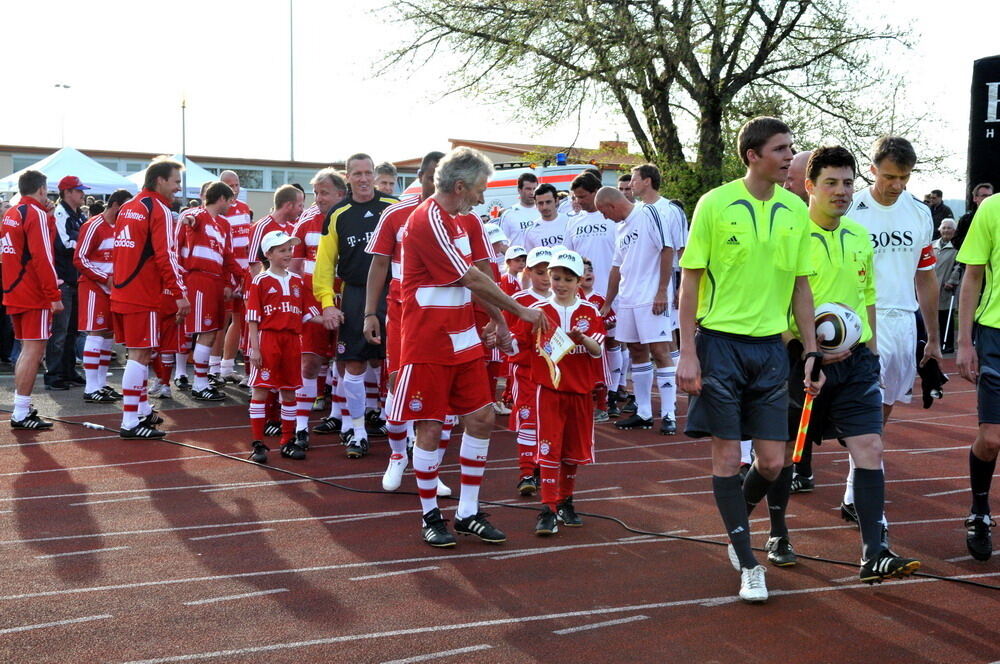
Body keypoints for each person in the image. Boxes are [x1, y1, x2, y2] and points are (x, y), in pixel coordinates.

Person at [677, 117, 821, 603]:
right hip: (720, 346)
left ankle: (735, 526)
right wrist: (688, 352)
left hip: (771, 351)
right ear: (752, 155)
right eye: (780, 149)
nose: (789, 157)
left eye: (791, 148)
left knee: (774, 462)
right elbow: (690, 281)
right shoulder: (714, 204)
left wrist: (811, 350)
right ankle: (749, 563)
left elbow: (801, 285)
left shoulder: (795, 209)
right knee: (725, 457)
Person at [772, 146, 920, 581]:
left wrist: (870, 353)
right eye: (831, 183)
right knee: (779, 457)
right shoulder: (788, 236)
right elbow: (771, 303)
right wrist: (802, 350)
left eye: (848, 183)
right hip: (800, 364)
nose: (841, 191)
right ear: (809, 186)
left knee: (870, 446)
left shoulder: (858, 235)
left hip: (856, 365)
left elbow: (867, 296)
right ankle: (778, 533)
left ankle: (874, 551)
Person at [388, 146, 545, 548]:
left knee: (481, 418)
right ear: (460, 186)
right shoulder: (426, 219)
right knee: (430, 425)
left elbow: (477, 277)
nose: (482, 196)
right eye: (479, 189)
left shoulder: (464, 220)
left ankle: (468, 512)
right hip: (427, 341)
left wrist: (496, 319)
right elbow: (469, 278)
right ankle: (430, 515)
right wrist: (517, 312)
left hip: (463, 337)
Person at [841, 136, 941, 524]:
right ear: (872, 170)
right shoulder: (851, 209)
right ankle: (868, 506)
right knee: (866, 414)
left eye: (904, 177)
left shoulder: (919, 213)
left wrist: (933, 338)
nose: (897, 185)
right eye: (889, 176)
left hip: (903, 323)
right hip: (862, 321)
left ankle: (854, 492)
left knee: (879, 416)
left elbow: (926, 277)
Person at [364, 150, 448, 490]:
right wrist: (370, 312)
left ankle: (432, 469)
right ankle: (398, 456)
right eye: (430, 177)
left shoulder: (460, 217)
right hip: (402, 312)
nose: (436, 184)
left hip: (443, 315)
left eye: (442, 178)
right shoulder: (396, 213)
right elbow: (379, 264)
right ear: (420, 177)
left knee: (441, 390)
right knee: (398, 383)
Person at [508, 250, 605, 535]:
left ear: (579, 281)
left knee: (572, 451)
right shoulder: (537, 311)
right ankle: (548, 509)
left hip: (580, 392)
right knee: (549, 448)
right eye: (556, 278)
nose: (561, 284)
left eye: (568, 279)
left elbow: (597, 350)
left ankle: (565, 501)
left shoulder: (590, 311)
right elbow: (516, 345)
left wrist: (582, 338)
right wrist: (498, 337)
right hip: (548, 391)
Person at [313, 153, 398, 458]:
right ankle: (357, 431)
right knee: (353, 363)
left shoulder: (393, 207)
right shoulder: (338, 214)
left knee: (398, 363)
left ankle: (401, 430)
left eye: (368, 173)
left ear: (374, 175)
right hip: (355, 293)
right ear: (347, 177)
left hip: (393, 293)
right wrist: (327, 303)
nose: (363, 179)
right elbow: (324, 264)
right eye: (357, 173)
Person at [110, 158, 189, 439]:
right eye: (176, 181)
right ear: (160, 180)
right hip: (141, 293)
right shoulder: (159, 209)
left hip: (123, 290)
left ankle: (141, 410)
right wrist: (179, 293)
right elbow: (166, 255)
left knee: (139, 353)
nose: (178, 188)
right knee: (140, 354)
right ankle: (130, 421)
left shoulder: (129, 206)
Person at [595, 187, 679, 435]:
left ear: (611, 205)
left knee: (660, 351)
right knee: (636, 350)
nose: (604, 217)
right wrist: (608, 302)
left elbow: (667, 248)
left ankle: (669, 414)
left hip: (651, 297)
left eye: (603, 212)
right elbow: (616, 267)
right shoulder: (620, 228)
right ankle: (643, 412)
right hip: (628, 299)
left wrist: (662, 291)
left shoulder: (648, 212)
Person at [246, 230, 322, 463]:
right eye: (282, 250)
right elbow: (252, 318)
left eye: (289, 249)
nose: (288, 253)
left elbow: (308, 313)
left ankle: (287, 441)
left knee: (289, 391)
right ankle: (258, 443)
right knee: (261, 389)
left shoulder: (298, 280)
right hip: (268, 339)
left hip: (292, 341)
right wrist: (255, 349)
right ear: (268, 254)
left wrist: (331, 318)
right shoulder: (260, 280)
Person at [955, 190, 1000, 561]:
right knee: (992, 438)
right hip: (995, 334)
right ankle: (980, 511)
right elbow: (972, 276)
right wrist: (964, 341)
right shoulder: (992, 207)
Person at [629, 163, 688, 432]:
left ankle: (671, 407)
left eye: (634, 179)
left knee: (665, 344)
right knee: (640, 347)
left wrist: (679, 286)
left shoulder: (670, 210)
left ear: (647, 181)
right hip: (638, 291)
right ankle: (643, 410)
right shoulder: (636, 211)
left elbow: (681, 250)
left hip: (665, 285)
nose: (631, 184)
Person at [1, 170, 63, 429]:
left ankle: (21, 408)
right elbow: (43, 256)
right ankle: (21, 411)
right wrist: (53, 295)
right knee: (33, 350)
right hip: (32, 292)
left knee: (27, 350)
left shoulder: (12, 212)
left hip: (15, 289)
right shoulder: (33, 213)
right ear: (41, 189)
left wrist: (50, 218)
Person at [291, 169, 347, 440]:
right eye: (315, 193)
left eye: (324, 193)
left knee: (345, 361)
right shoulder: (306, 221)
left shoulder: (351, 218)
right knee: (310, 362)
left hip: (347, 300)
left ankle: (339, 418)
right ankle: (301, 428)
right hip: (313, 301)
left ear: (341, 194)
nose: (318, 198)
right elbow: (293, 266)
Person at [177, 181, 243, 401]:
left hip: (216, 281)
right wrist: (188, 219)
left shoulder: (224, 224)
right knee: (202, 331)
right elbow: (191, 219)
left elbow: (228, 257)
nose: (232, 205)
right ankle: (198, 383)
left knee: (212, 331)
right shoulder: (199, 214)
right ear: (221, 198)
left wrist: (241, 277)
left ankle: (201, 380)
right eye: (230, 200)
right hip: (199, 279)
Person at [74, 188, 132, 403]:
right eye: (124, 209)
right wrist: (103, 277)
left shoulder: (122, 227)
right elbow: (80, 258)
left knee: (108, 334)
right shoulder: (93, 225)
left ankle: (100, 383)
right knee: (96, 332)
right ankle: (91, 388)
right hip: (94, 286)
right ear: (115, 205)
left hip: (113, 288)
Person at [507, 246, 555, 495]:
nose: (545, 278)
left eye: (549, 272)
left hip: (553, 374)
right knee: (528, 419)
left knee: (549, 421)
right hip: (525, 370)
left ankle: (541, 467)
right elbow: (507, 336)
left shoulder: (565, 299)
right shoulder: (519, 301)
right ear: (528, 272)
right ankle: (526, 473)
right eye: (539, 272)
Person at [45, 175, 90, 390]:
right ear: (67, 192)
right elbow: (64, 244)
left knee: (72, 331)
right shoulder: (60, 213)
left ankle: (68, 371)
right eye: (79, 190)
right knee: (60, 332)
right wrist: (85, 244)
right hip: (64, 280)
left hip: (75, 279)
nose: (83, 194)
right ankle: (54, 374)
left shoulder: (78, 215)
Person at [217, 170, 253, 385]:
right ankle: (213, 368)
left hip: (243, 273)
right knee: (220, 321)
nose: (235, 189)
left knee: (241, 320)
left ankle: (227, 367)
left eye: (237, 184)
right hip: (226, 274)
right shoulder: (219, 209)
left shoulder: (244, 208)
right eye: (230, 185)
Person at [932, 219, 962, 353]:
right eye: (944, 228)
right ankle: (932, 343)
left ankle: (948, 345)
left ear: (954, 231)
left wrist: (952, 281)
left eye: (949, 228)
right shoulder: (932, 245)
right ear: (939, 229)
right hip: (931, 287)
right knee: (931, 317)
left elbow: (959, 266)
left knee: (945, 317)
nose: (946, 230)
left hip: (946, 287)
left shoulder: (956, 248)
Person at [522, 183, 567, 252]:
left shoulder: (570, 222)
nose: (544, 207)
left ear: (556, 201)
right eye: (540, 203)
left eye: (548, 202)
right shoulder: (530, 231)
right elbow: (529, 256)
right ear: (536, 204)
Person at [498, 172, 539, 247]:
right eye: (528, 189)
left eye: (534, 189)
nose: (532, 193)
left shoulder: (543, 211)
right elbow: (501, 244)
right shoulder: (508, 214)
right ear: (519, 190)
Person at [954, 182, 993, 249]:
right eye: (984, 196)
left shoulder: (997, 217)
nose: (988, 198)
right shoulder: (966, 219)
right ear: (975, 198)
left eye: (990, 196)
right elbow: (955, 241)